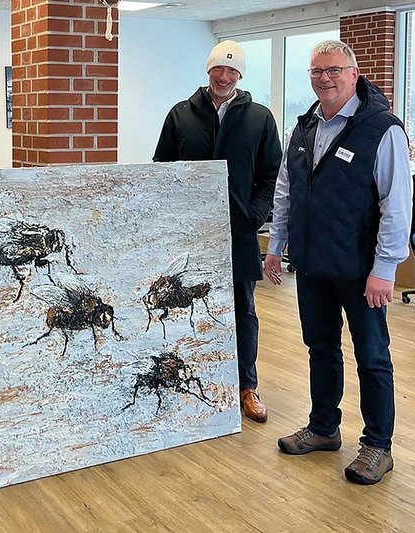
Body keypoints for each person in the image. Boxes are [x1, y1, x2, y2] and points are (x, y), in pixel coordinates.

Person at [265, 40, 412, 485]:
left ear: (354, 73)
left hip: (360, 271)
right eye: (316, 72)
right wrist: (276, 244)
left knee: (372, 357)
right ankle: (324, 428)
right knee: (321, 349)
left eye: (332, 70)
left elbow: (397, 204)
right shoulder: (304, 127)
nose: (324, 78)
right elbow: (287, 192)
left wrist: (385, 268)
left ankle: (377, 447)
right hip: (312, 265)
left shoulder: (382, 129)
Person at [153, 40, 282, 423]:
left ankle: (246, 386)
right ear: (208, 71)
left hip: (238, 233)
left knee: (243, 310)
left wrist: (255, 214)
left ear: (240, 75)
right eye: (218, 70)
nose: (224, 76)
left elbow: (273, 174)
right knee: (180, 307)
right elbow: (162, 170)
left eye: (232, 70)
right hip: (189, 236)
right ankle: (188, 378)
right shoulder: (180, 115)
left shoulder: (259, 118)